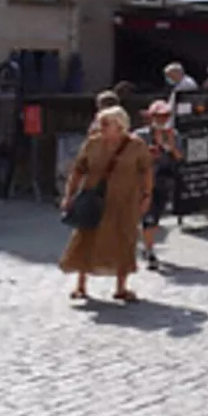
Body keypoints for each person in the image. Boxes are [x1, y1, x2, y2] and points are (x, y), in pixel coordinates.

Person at [60, 106, 153, 303]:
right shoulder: (93, 143)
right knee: (86, 236)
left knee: (124, 239)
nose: (100, 126)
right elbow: (78, 169)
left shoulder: (136, 145)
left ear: (119, 125)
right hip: (95, 198)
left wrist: (146, 195)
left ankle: (121, 287)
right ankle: (81, 285)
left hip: (125, 200)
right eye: (99, 122)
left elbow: (146, 170)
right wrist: (69, 195)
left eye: (105, 123)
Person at [133, 100, 181, 270]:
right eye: (159, 116)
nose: (162, 119)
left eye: (166, 116)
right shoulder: (140, 135)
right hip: (141, 182)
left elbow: (179, 157)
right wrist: (148, 153)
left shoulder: (173, 134)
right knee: (148, 217)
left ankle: (147, 247)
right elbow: (131, 157)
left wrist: (169, 146)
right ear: (151, 117)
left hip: (162, 181)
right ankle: (149, 250)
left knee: (154, 216)